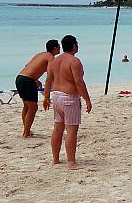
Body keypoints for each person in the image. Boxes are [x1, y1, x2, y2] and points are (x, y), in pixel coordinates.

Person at [43, 35, 92, 169]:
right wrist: (87, 99)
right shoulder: (74, 61)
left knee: (58, 128)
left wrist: (46, 97)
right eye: (77, 43)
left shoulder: (55, 61)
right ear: (74, 45)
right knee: (71, 131)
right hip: (69, 97)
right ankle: (71, 162)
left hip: (56, 96)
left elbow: (48, 80)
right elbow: (79, 82)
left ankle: (55, 158)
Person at [15, 40, 60, 138]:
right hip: (27, 80)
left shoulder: (40, 54)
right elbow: (50, 74)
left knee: (27, 106)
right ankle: (26, 133)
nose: (60, 48)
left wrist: (35, 79)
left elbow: (27, 66)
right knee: (33, 107)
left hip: (20, 77)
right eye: (58, 46)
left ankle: (27, 130)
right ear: (55, 48)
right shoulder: (51, 58)